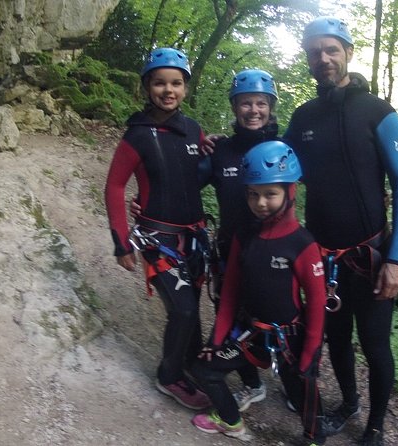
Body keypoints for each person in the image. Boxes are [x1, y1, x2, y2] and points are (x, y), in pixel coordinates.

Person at [283, 16, 398, 446]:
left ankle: (375, 427)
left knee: (376, 346)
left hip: (370, 257)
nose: (323, 58)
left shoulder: (378, 113)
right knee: (335, 339)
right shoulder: (303, 117)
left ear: (347, 53)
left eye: (331, 49)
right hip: (323, 256)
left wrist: (396, 259)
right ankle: (349, 403)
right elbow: (278, 168)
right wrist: (225, 148)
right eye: (314, 51)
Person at [132, 69, 284, 412]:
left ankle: (293, 386)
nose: (254, 110)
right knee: (230, 313)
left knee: (270, 315)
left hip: (272, 252)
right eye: (246, 103)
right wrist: (146, 199)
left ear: (271, 107)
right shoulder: (221, 150)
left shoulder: (282, 149)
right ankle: (250, 383)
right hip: (230, 250)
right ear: (235, 107)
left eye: (261, 103)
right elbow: (181, 185)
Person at [189, 141, 328, 445]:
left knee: (303, 388)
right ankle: (231, 421)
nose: (260, 202)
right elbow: (231, 294)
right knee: (204, 368)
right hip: (250, 335)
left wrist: (310, 355)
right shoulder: (244, 236)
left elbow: (317, 304)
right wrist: (217, 339)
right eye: (253, 194)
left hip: (289, 339)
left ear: (290, 193)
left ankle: (314, 437)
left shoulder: (303, 244)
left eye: (270, 194)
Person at [104, 47, 211, 411]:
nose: (169, 90)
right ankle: (169, 376)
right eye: (160, 83)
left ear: (185, 88)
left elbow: (190, 179)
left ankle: (191, 363)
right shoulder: (137, 134)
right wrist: (122, 244)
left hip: (194, 237)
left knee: (191, 307)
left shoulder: (194, 130)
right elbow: (115, 186)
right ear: (147, 87)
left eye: (176, 83)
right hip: (157, 238)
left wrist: (213, 152)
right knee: (182, 311)